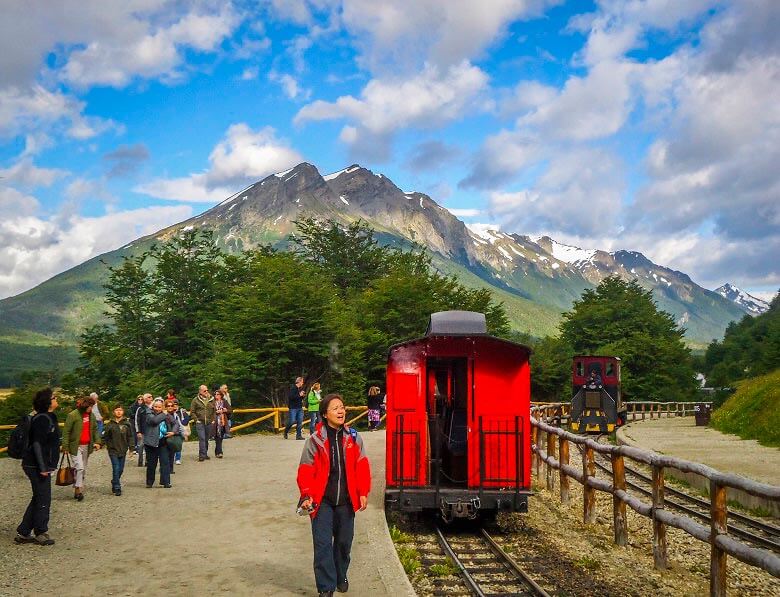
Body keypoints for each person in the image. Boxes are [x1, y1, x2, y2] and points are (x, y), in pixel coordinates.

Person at [297, 394, 371, 597]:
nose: (341, 411)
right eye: (335, 408)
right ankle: (326, 587)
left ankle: (341, 575)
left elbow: (362, 467)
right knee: (322, 545)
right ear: (324, 414)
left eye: (342, 407)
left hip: (346, 502)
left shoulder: (354, 437)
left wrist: (363, 492)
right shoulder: (315, 440)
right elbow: (305, 470)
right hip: (322, 502)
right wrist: (306, 494)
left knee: (343, 543)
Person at [15, 388, 60, 546]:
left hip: (40, 464)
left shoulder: (50, 417)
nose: (56, 399)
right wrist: (43, 467)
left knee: (38, 496)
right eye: (54, 397)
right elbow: (37, 444)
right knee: (43, 497)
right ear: (47, 401)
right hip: (35, 465)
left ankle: (24, 531)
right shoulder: (42, 419)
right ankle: (40, 531)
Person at [62, 396, 101, 501]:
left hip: (87, 446)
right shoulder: (73, 415)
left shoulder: (91, 416)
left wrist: (97, 441)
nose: (91, 408)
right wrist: (65, 446)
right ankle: (79, 489)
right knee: (79, 467)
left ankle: (76, 488)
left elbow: (95, 430)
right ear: (85, 405)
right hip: (75, 446)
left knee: (82, 469)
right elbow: (66, 432)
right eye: (90, 406)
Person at [101, 403, 134, 496]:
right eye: (117, 410)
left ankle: (114, 481)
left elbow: (130, 437)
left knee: (120, 469)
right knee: (116, 468)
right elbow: (105, 437)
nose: (119, 412)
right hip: (113, 450)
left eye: (120, 410)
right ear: (113, 412)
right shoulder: (110, 424)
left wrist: (131, 448)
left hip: (123, 449)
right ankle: (117, 487)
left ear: (123, 412)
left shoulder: (127, 424)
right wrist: (101, 444)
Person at [143, 398, 171, 488]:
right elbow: (154, 421)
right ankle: (149, 482)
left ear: (162, 407)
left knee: (165, 463)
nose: (157, 408)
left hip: (163, 442)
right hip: (151, 443)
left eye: (159, 407)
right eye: (156, 406)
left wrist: (173, 432)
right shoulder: (148, 413)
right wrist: (164, 414)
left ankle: (166, 482)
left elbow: (175, 423)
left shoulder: (166, 414)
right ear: (153, 406)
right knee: (151, 463)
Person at [190, 385, 215, 461]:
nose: (206, 392)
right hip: (200, 422)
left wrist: (213, 419)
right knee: (202, 438)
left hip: (209, 422)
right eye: (204, 391)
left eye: (207, 390)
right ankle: (202, 455)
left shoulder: (211, 399)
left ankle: (205, 453)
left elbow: (214, 410)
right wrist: (196, 419)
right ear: (200, 391)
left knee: (206, 438)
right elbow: (192, 411)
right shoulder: (195, 400)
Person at [161, 400, 184, 481]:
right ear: (165, 407)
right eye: (168, 406)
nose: (170, 407)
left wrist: (182, 433)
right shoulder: (163, 414)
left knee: (172, 453)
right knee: (165, 454)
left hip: (173, 435)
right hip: (164, 435)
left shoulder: (175, 415)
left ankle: (170, 468)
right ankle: (165, 469)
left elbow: (179, 424)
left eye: (171, 406)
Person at [134, 393, 153, 466]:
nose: (151, 398)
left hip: (151, 431)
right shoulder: (140, 408)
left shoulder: (154, 408)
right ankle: (140, 461)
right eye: (149, 397)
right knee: (141, 446)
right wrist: (138, 431)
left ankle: (147, 462)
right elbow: (137, 420)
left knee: (149, 446)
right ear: (145, 399)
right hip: (142, 430)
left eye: (151, 397)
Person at [213, 389, 232, 458]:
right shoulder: (212, 402)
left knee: (220, 437)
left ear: (221, 395)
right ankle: (220, 452)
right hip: (215, 422)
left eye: (218, 394)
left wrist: (225, 410)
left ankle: (217, 451)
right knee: (217, 436)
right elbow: (210, 411)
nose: (216, 396)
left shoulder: (224, 402)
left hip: (223, 421)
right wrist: (216, 412)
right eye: (215, 394)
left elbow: (230, 410)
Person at [173, 398, 189, 465]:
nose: (175, 406)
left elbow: (187, 418)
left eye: (176, 404)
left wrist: (182, 423)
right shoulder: (169, 412)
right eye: (173, 404)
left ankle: (178, 458)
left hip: (179, 431)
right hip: (171, 431)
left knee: (179, 445)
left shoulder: (182, 412)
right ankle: (172, 457)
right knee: (171, 445)